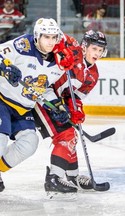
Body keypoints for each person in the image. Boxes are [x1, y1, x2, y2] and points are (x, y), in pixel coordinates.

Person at [0, 17, 74, 192]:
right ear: (37, 36)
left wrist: (56, 105)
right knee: (0, 139)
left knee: (30, 143)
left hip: (23, 108)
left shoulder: (58, 62)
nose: (50, 41)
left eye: (53, 37)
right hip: (2, 99)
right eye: (46, 37)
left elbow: (42, 88)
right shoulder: (22, 45)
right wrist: (5, 67)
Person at [32, 30, 108, 197]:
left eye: (100, 50)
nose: (97, 53)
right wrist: (64, 43)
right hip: (42, 96)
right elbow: (54, 34)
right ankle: (54, 178)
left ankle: (73, 177)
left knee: (71, 135)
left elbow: (75, 98)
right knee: (66, 136)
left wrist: (76, 111)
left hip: (58, 102)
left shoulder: (93, 74)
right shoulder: (73, 49)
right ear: (85, 46)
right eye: (94, 49)